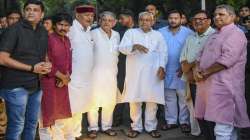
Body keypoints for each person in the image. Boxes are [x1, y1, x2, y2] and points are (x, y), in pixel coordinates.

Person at [194, 5, 250, 140]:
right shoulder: (215, 34)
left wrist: (206, 72)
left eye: (221, 14)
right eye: (215, 15)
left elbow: (228, 59)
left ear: (232, 17)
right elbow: (200, 55)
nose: (217, 17)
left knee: (222, 127)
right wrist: (196, 69)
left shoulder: (236, 33)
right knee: (227, 128)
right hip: (210, 86)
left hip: (226, 87)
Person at [0, 0, 52, 139]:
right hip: (16, 85)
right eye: (28, 9)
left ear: (42, 14)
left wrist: (47, 63)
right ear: (24, 12)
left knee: (32, 123)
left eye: (35, 10)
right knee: (17, 125)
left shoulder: (42, 31)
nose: (31, 12)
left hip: (36, 85)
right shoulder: (13, 30)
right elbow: (2, 58)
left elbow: (44, 54)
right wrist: (31, 68)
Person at [119, 11, 167, 138]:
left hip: (153, 72)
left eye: (147, 20)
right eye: (142, 20)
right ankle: (136, 127)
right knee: (135, 100)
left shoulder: (158, 35)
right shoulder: (131, 33)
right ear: (138, 21)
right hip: (135, 73)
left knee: (152, 101)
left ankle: (151, 127)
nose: (144, 22)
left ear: (153, 22)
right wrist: (134, 46)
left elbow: (163, 52)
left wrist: (162, 66)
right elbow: (122, 48)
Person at [180, 10, 215, 138]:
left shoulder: (215, 36)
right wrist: (188, 70)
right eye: (195, 19)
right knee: (198, 113)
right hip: (192, 82)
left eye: (201, 18)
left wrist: (192, 66)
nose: (197, 21)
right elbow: (183, 60)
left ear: (209, 21)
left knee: (211, 114)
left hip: (209, 82)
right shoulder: (190, 37)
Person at [39, 12, 74, 140]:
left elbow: (69, 61)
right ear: (54, 25)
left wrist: (67, 77)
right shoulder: (48, 39)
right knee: (46, 117)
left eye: (66, 25)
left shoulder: (67, 40)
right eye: (60, 24)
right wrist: (62, 77)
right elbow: (46, 63)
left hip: (62, 84)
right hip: (49, 83)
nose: (63, 28)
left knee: (60, 116)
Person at [159, 9, 193, 133]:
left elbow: (191, 51)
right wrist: (160, 67)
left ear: (181, 19)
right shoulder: (160, 32)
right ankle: (171, 121)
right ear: (168, 19)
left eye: (176, 18)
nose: (173, 20)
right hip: (166, 69)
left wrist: (185, 67)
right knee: (169, 98)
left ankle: (184, 122)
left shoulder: (189, 33)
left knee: (183, 97)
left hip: (182, 70)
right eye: (171, 18)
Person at [87, 11, 120, 139]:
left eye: (110, 20)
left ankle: (106, 126)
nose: (107, 22)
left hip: (112, 74)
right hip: (95, 74)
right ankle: (93, 128)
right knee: (93, 102)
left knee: (110, 102)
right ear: (99, 21)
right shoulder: (93, 33)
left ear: (115, 22)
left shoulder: (116, 35)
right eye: (104, 20)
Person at [67, 4, 95, 138]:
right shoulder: (71, 29)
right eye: (86, 15)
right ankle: (68, 135)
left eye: (91, 15)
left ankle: (76, 133)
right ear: (77, 15)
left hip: (86, 77)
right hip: (72, 77)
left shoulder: (88, 30)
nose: (89, 18)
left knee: (80, 107)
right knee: (71, 108)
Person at [112, 9, 136, 127]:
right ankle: (117, 118)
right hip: (121, 66)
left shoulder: (139, 30)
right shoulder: (118, 32)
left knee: (135, 92)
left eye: (122, 18)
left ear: (130, 18)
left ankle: (135, 119)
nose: (120, 21)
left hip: (137, 66)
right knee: (120, 91)